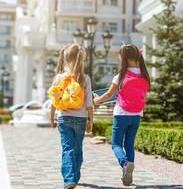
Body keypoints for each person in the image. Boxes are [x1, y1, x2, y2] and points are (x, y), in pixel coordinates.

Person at [94, 44, 150, 186]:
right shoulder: (144, 75)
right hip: (137, 115)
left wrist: (96, 100)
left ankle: (125, 164)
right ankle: (128, 170)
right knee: (129, 144)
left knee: (116, 144)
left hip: (121, 114)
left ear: (123, 58)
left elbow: (108, 94)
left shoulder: (121, 75)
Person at [50, 44, 94, 189]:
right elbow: (89, 103)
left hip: (63, 118)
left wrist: (52, 117)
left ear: (65, 58)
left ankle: (69, 179)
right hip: (80, 119)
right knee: (77, 149)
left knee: (67, 148)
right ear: (81, 59)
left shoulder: (59, 77)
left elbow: (54, 100)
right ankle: (74, 176)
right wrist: (91, 121)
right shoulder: (85, 78)